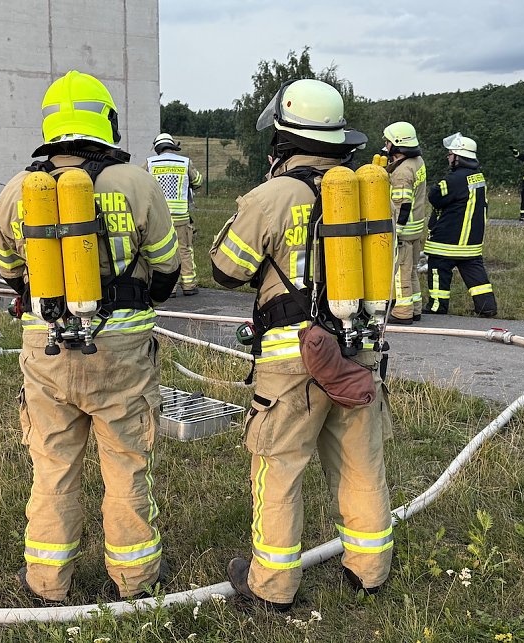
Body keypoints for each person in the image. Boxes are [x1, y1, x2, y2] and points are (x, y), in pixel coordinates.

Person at [0, 70, 180, 604]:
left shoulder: (16, 191)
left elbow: (10, 270)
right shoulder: (138, 182)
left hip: (45, 347)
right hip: (120, 351)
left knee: (52, 466)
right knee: (126, 464)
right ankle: (136, 580)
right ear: (106, 121)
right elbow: (167, 266)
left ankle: (47, 583)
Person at [210, 78, 394, 611]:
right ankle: (370, 571)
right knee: (362, 465)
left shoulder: (273, 195)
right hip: (356, 353)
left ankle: (271, 587)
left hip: (291, 361)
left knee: (279, 470)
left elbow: (226, 269)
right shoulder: (362, 192)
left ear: (283, 139)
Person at [423, 133, 497, 317]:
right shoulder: (478, 177)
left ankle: (437, 306)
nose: (448, 157)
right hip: (471, 242)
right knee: (475, 274)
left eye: (450, 154)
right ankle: (486, 306)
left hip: (447, 241)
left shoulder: (454, 180)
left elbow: (435, 196)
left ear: (458, 157)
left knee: (438, 270)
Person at [144, 133, 203, 296]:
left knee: (163, 252)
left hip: (159, 217)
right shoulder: (185, 162)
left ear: (157, 147)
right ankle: (189, 285)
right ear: (172, 146)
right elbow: (198, 181)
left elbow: (142, 185)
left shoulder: (150, 163)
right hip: (181, 217)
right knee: (184, 250)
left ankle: (170, 288)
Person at [383, 121, 427, 325]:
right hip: (416, 228)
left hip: (404, 230)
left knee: (401, 273)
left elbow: (403, 204)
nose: (385, 145)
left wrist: (396, 231)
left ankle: (403, 312)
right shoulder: (417, 161)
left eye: (388, 141)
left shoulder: (402, 172)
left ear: (397, 144)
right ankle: (416, 308)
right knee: (411, 271)